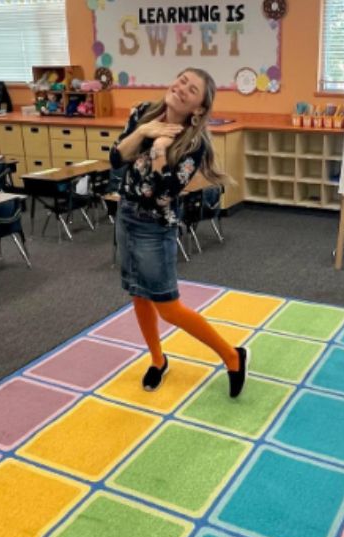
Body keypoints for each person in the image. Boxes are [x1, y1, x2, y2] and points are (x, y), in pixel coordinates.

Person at [110, 68, 248, 397]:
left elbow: (163, 193)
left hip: (154, 226)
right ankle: (158, 360)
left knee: (168, 307)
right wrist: (143, 130)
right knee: (137, 294)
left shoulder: (194, 143)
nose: (182, 88)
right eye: (182, 80)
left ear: (199, 108)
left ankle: (232, 355)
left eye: (192, 89)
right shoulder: (142, 112)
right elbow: (116, 159)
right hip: (125, 214)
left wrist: (158, 149)